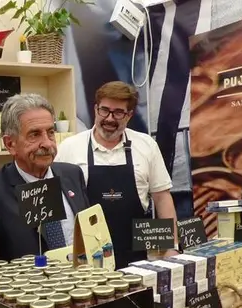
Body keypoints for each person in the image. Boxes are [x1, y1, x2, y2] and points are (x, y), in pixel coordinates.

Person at [0, 94, 89, 265]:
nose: (47, 143)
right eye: (34, 134)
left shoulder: (72, 174)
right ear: (10, 144)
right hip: (30, 287)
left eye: (50, 132)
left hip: (80, 284)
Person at [56, 81, 179, 268]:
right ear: (95, 109)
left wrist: (171, 246)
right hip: (87, 257)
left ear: (129, 115)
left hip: (138, 254)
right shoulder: (70, 147)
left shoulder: (146, 145)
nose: (110, 119)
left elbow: (162, 198)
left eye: (118, 112)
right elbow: (58, 203)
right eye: (104, 110)